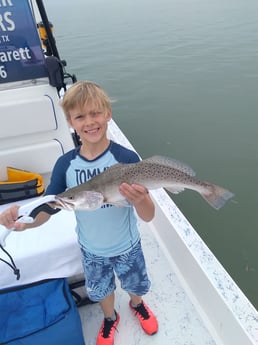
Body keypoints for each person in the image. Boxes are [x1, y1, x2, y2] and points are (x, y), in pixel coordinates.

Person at [0, 81, 158, 345]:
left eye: (96, 113)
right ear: (70, 122)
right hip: (91, 249)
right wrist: (23, 223)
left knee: (135, 284)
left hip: (127, 245)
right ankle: (110, 318)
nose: (89, 122)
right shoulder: (65, 165)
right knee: (101, 290)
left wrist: (140, 200)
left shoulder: (126, 158)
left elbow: (149, 215)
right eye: (80, 116)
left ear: (108, 114)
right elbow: (49, 207)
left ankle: (137, 304)